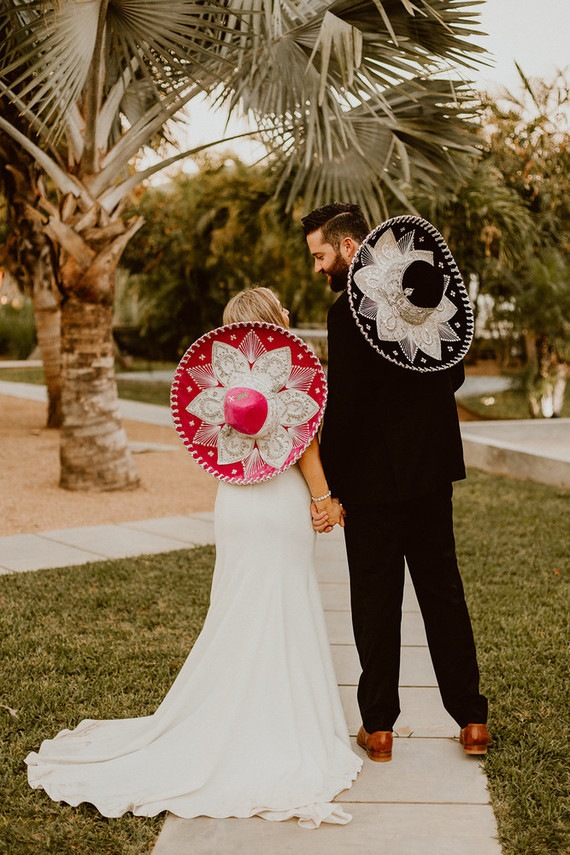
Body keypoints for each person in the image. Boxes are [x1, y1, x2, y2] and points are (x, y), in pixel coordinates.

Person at [26, 286, 361, 828]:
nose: (290, 313)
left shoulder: (220, 383)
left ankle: (229, 718)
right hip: (278, 507)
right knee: (280, 608)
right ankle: (279, 731)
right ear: (271, 321)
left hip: (235, 505)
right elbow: (307, 448)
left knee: (237, 610)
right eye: (282, 308)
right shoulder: (288, 373)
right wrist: (325, 502)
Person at [302, 203, 490, 763]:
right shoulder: (427, 295)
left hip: (372, 483)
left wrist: (329, 487)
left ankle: (379, 728)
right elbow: (453, 372)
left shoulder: (347, 314)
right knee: (443, 593)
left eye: (320, 255)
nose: (318, 268)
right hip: (431, 472)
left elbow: (347, 411)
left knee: (375, 600)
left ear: (348, 247)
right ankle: (472, 720)